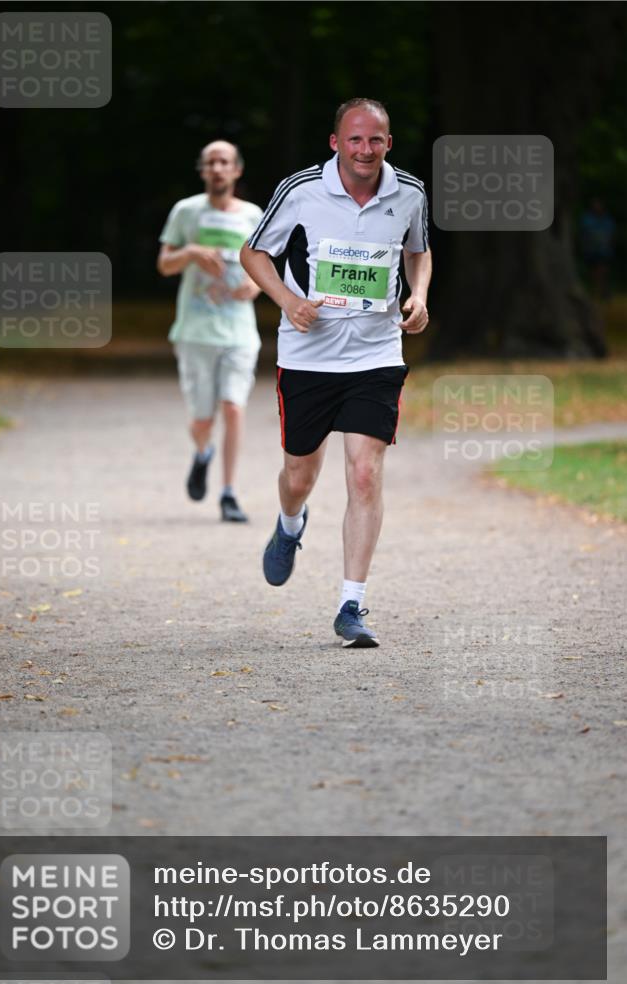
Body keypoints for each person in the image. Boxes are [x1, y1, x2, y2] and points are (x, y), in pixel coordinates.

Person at [240, 98, 431, 647]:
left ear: (388, 144)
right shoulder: (301, 188)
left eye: (375, 140)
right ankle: (290, 522)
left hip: (376, 353)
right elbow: (253, 255)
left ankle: (352, 604)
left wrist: (418, 295)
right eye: (355, 140)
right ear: (335, 143)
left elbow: (419, 251)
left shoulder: (410, 192)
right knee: (300, 473)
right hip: (308, 355)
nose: (365, 150)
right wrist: (286, 300)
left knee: (365, 473)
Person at [157, 140, 262, 522]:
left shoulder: (254, 215)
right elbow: (165, 264)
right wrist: (190, 253)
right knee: (203, 419)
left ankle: (229, 493)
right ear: (203, 170)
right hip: (196, 330)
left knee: (234, 408)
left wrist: (259, 285)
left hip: (239, 331)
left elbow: (269, 265)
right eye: (211, 162)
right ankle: (203, 453)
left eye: (225, 162)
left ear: (237, 170)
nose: (218, 168)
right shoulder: (186, 211)